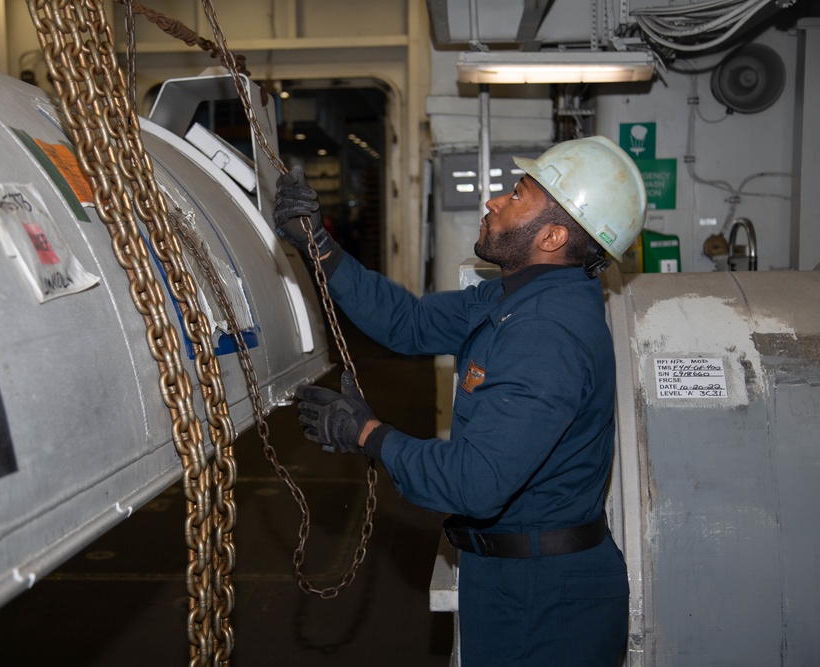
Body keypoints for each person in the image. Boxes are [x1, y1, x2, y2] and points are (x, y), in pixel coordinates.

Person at [272, 135, 646, 666]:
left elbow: (475, 482)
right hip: (510, 578)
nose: (494, 202)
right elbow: (408, 323)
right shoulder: (514, 296)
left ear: (554, 235)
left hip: (545, 601)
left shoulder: (546, 335)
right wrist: (318, 246)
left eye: (517, 196)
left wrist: (366, 433)